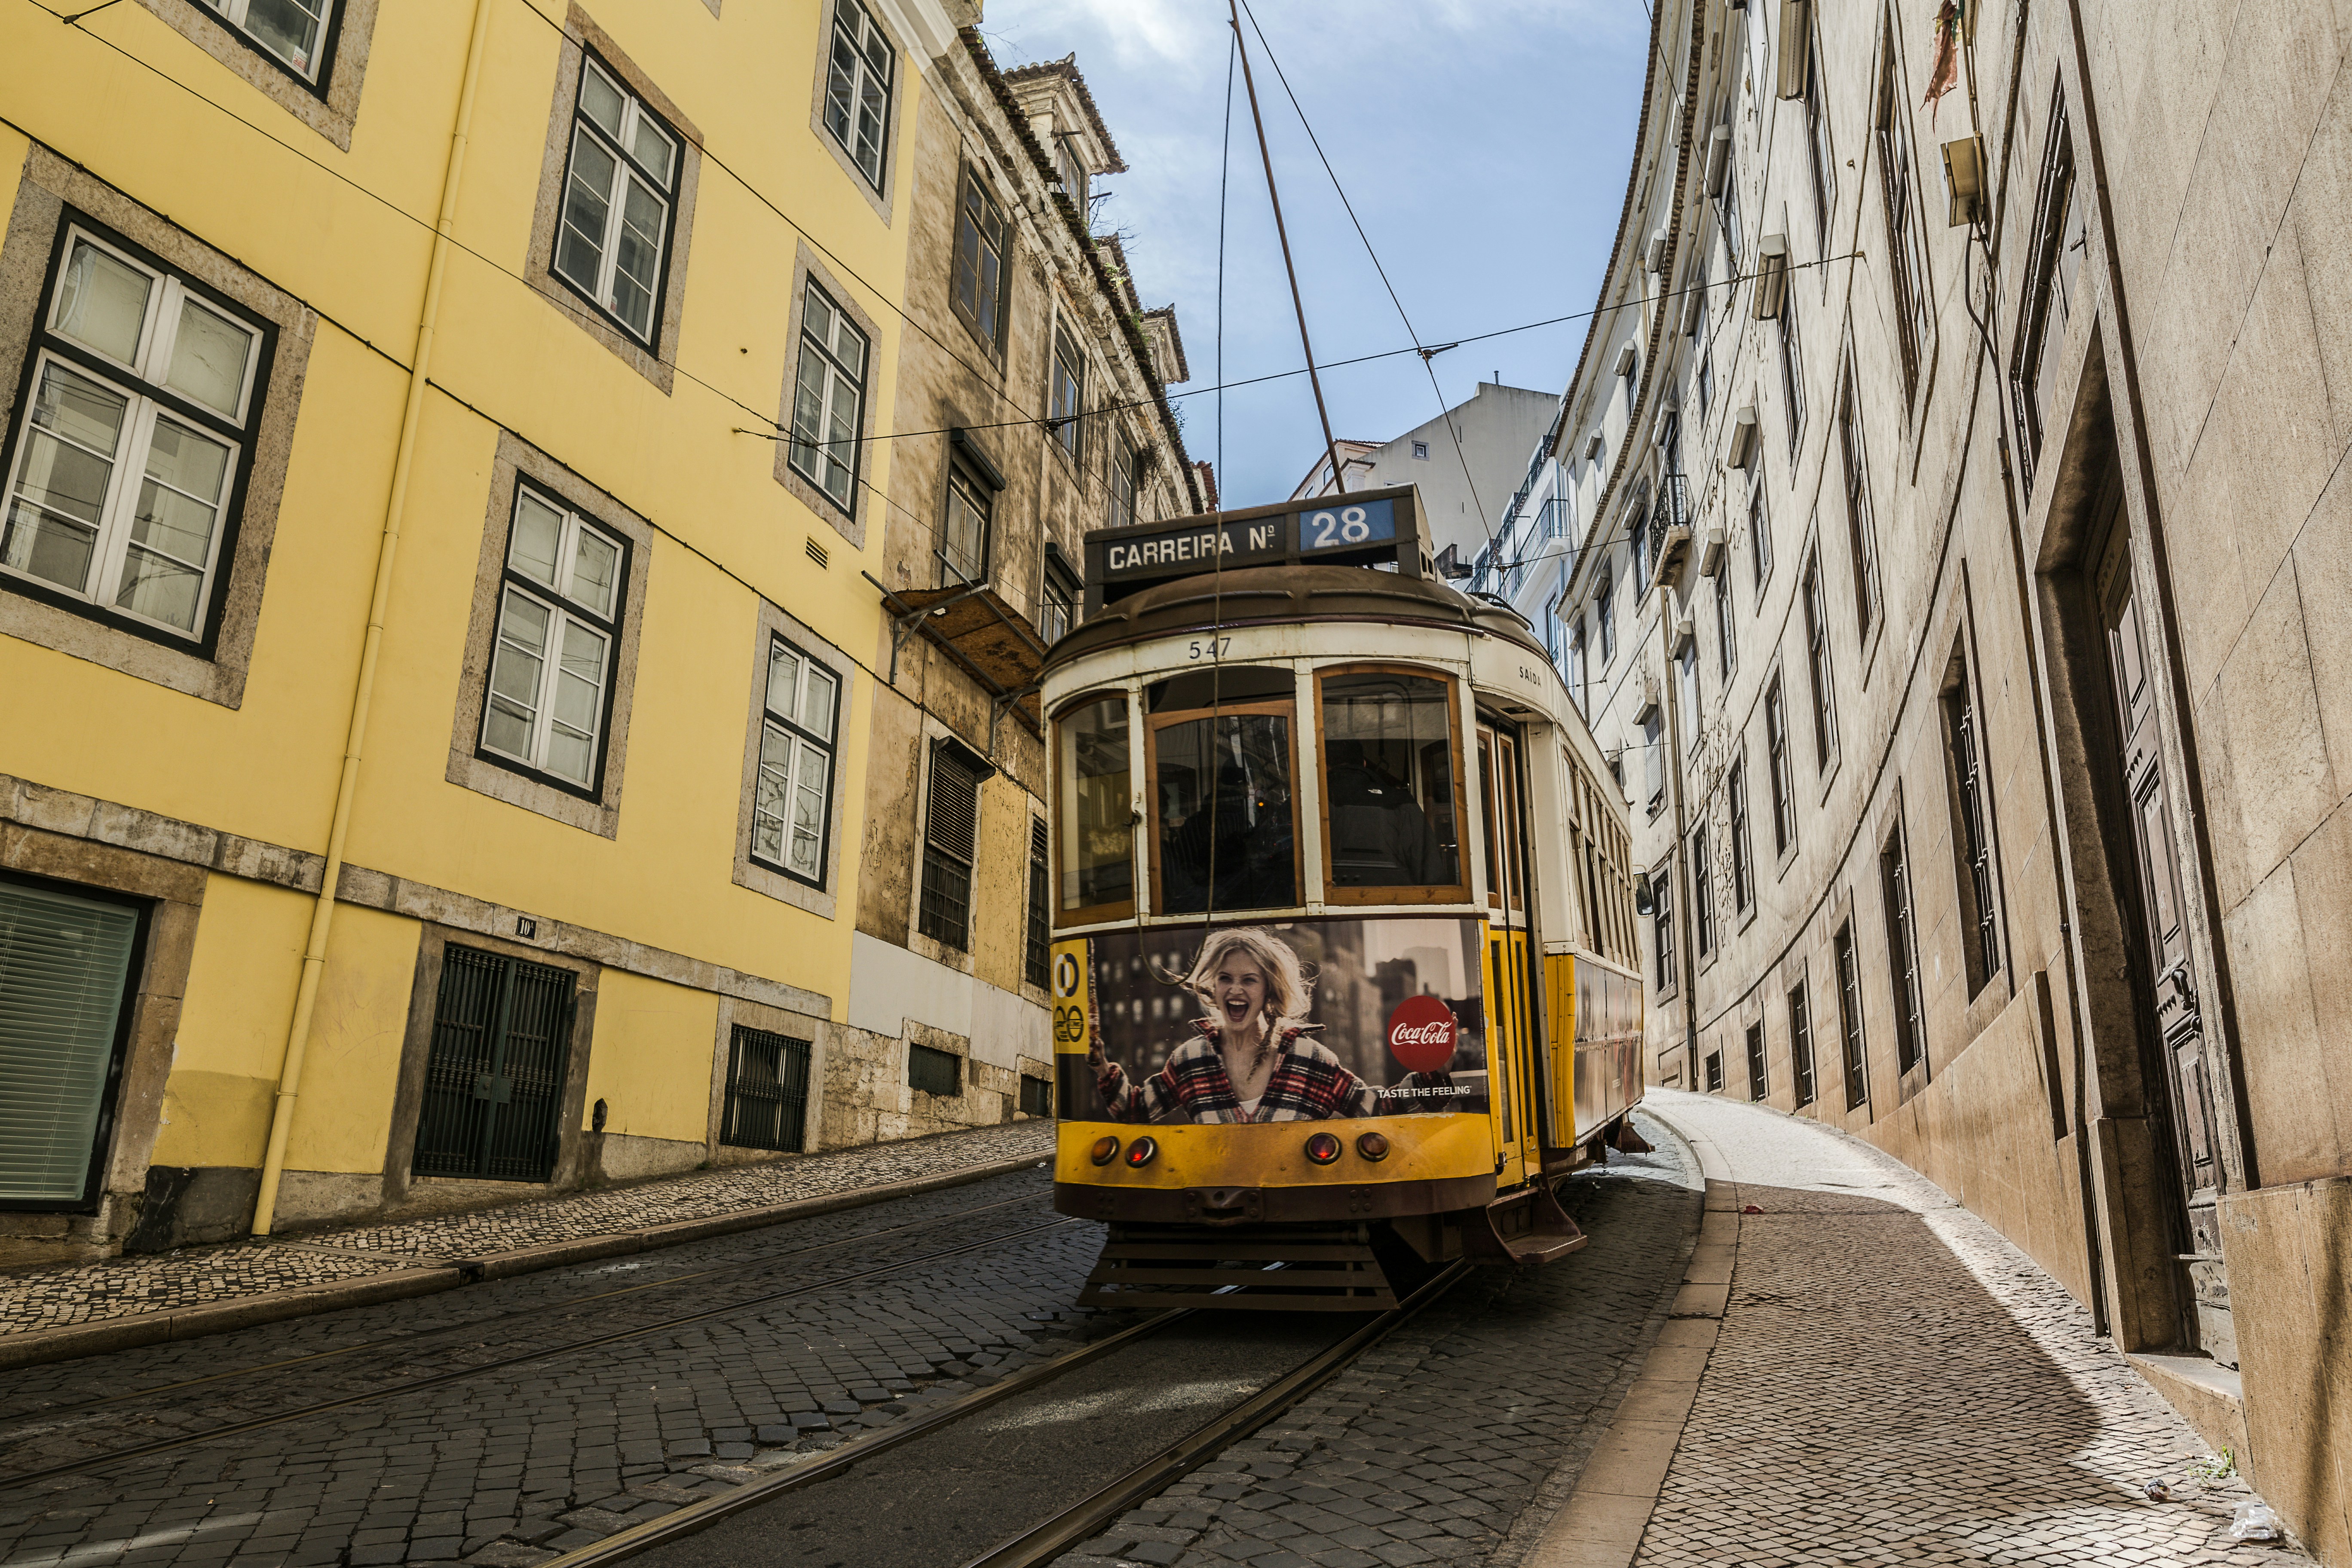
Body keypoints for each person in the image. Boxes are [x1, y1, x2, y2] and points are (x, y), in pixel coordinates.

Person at [1092, 928, 1376, 1123]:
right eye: (1225, 979)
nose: (1235, 990)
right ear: (1214, 987)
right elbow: (1135, 1111)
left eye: (1249, 980)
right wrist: (1103, 1068)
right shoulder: (1190, 1060)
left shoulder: (1310, 1058)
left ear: (1268, 989)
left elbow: (1376, 1108)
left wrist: (1421, 1081)